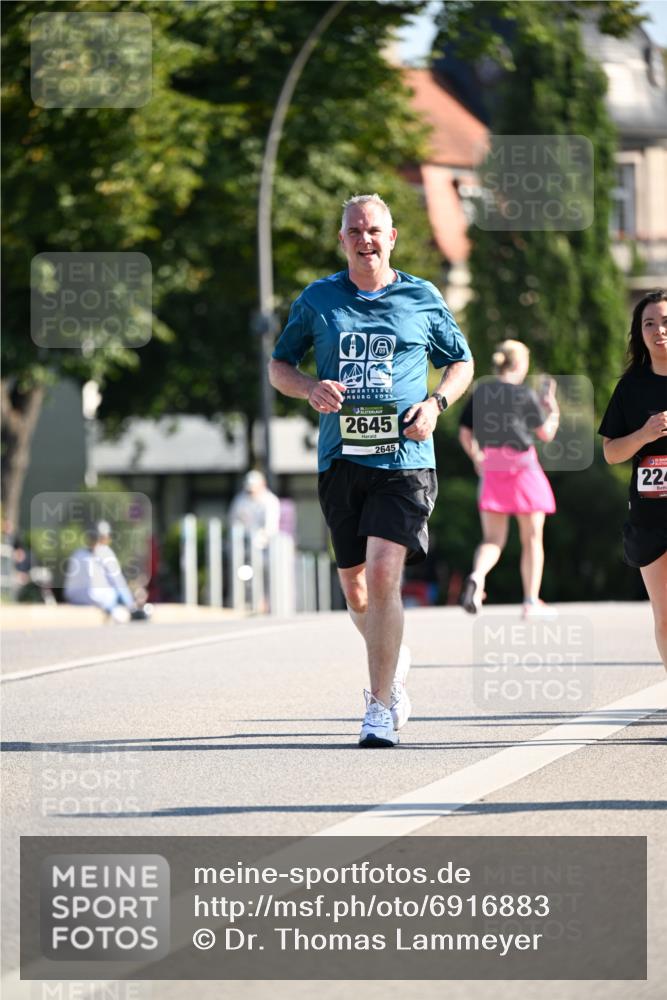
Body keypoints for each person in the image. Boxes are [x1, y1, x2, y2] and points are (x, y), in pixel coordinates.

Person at [269, 193, 473, 747]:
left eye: (374, 230)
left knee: (384, 575)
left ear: (392, 236)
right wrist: (310, 387)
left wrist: (436, 404)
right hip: (341, 461)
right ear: (342, 240)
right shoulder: (318, 299)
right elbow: (279, 366)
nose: (366, 240)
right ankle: (392, 654)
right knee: (357, 591)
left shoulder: (421, 296)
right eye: (355, 231)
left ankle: (379, 707)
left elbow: (460, 361)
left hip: (405, 460)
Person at [458, 339, 560, 618]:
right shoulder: (524, 393)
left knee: (492, 539)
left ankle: (477, 577)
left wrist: (477, 457)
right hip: (524, 467)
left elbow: (465, 433)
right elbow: (546, 434)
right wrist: (553, 410)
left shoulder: (481, 391)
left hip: (492, 466)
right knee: (532, 538)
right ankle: (530, 601)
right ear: (519, 364)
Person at [598, 289, 667, 671]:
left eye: (665, 322)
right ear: (639, 333)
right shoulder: (631, 387)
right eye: (649, 323)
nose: (659, 330)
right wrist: (644, 434)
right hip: (650, 516)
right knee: (664, 617)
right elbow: (611, 453)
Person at [64, 521, 149, 622]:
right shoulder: (104, 552)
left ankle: (120, 609)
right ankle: (131, 610)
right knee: (118, 592)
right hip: (95, 597)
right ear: (103, 537)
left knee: (112, 593)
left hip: (73, 597)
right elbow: (117, 581)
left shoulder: (77, 553)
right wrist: (129, 602)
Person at [228, 470, 281, 549]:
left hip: (265, 543)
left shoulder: (271, 501)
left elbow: (270, 527)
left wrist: (258, 537)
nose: (251, 492)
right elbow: (233, 520)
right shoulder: (240, 499)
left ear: (262, 485)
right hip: (243, 540)